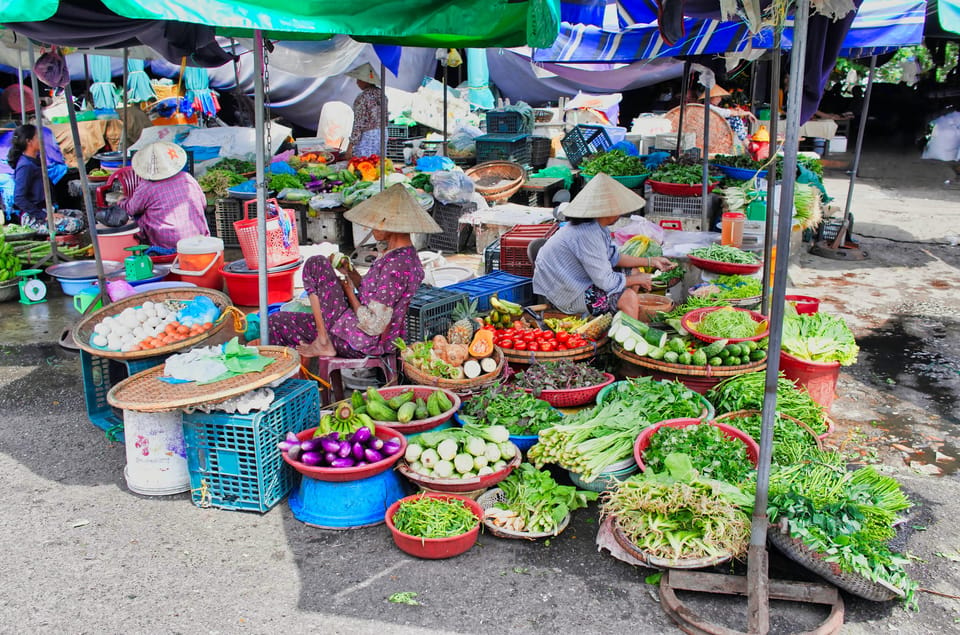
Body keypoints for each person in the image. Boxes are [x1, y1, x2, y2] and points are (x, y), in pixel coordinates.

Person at [269, 183, 441, 358]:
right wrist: (351, 273)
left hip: (362, 342)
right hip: (354, 329)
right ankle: (321, 341)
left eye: (374, 223)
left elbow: (374, 325)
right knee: (276, 321)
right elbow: (374, 297)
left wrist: (349, 293)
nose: (370, 228)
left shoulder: (396, 266)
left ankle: (323, 341)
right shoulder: (405, 256)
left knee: (316, 264)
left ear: (386, 223)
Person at [532, 173, 676, 321]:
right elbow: (606, 281)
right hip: (566, 293)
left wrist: (651, 261)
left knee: (633, 272)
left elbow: (614, 258)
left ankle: (616, 322)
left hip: (575, 280)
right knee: (628, 298)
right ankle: (623, 338)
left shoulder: (597, 226)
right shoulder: (588, 234)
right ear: (607, 211)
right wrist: (639, 279)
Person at [118, 141, 210, 249]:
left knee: (137, 217)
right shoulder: (187, 177)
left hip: (168, 242)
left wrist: (121, 201)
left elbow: (131, 209)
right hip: (198, 237)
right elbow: (203, 204)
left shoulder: (147, 186)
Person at [6, 124, 83, 234]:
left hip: (47, 211)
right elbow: (19, 198)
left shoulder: (35, 160)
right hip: (34, 218)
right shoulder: (25, 166)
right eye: (38, 136)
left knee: (80, 215)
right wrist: (45, 215)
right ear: (29, 141)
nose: (41, 139)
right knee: (75, 224)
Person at [345, 62, 386, 159]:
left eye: (359, 80)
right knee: (378, 165)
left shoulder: (362, 97)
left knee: (364, 164)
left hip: (368, 137)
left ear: (366, 81)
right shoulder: (383, 95)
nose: (357, 82)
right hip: (383, 134)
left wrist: (350, 146)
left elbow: (359, 124)